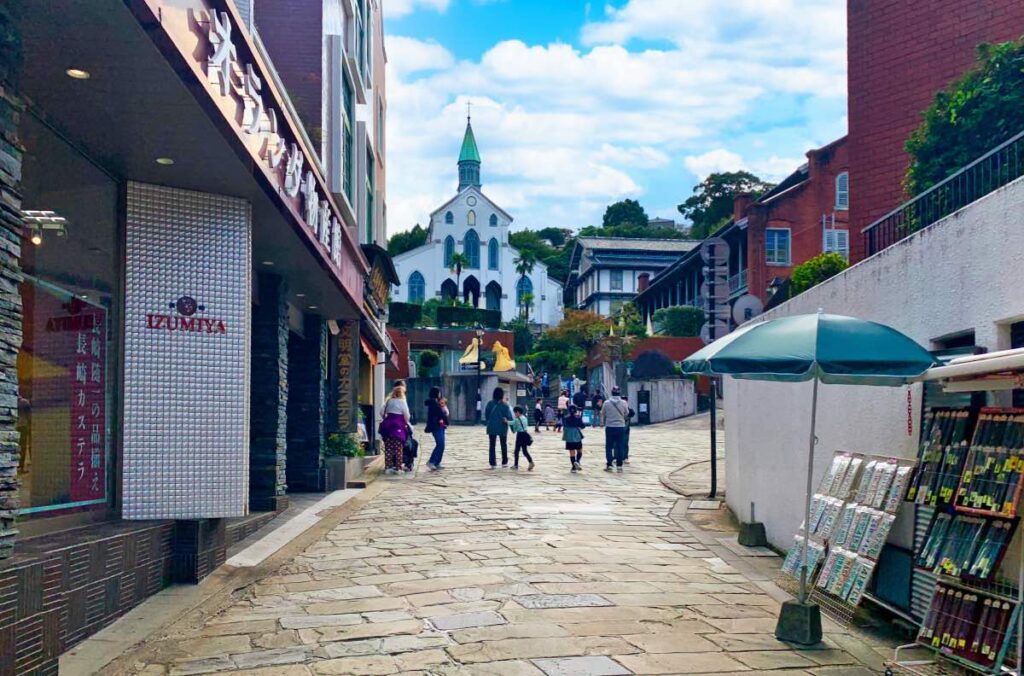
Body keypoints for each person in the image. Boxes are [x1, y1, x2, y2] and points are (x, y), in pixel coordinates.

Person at [380, 384, 411, 474]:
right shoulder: (402, 402)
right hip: (398, 427)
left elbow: (382, 412)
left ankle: (388, 467)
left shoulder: (389, 401)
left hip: (387, 427)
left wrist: (385, 417)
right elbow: (407, 415)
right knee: (398, 448)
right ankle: (398, 468)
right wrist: (406, 423)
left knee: (388, 448)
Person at [601, 386, 630, 472]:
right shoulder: (624, 403)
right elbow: (627, 413)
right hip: (620, 427)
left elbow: (603, 413)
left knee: (609, 446)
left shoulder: (606, 403)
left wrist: (603, 422)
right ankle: (619, 465)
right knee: (620, 446)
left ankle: (609, 464)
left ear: (611, 393)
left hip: (610, 426)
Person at [484, 387, 514, 469]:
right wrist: (513, 428)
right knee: (503, 444)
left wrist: (490, 421)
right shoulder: (505, 405)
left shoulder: (490, 403)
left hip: (492, 427)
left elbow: (486, 415)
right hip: (502, 427)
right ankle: (504, 462)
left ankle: (493, 463)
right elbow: (509, 417)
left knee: (492, 445)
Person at [424, 387, 449, 471]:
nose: (440, 394)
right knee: (440, 444)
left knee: (442, 444)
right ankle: (431, 461)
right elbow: (440, 414)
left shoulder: (436, 402)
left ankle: (437, 462)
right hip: (436, 426)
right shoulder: (433, 403)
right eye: (439, 392)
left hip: (440, 425)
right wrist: (445, 418)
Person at [562, 404, 587, 472]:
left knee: (572, 452)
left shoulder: (565, 418)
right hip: (576, 436)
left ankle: (573, 467)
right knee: (579, 450)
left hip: (569, 436)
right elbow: (583, 426)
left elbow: (564, 426)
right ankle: (577, 461)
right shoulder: (578, 418)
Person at [621, 395, 636, 464]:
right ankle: (616, 457)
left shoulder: (629, 409)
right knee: (616, 443)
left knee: (625, 443)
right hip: (618, 428)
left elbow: (633, 413)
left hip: (626, 429)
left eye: (625, 401)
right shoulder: (618, 408)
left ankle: (625, 457)